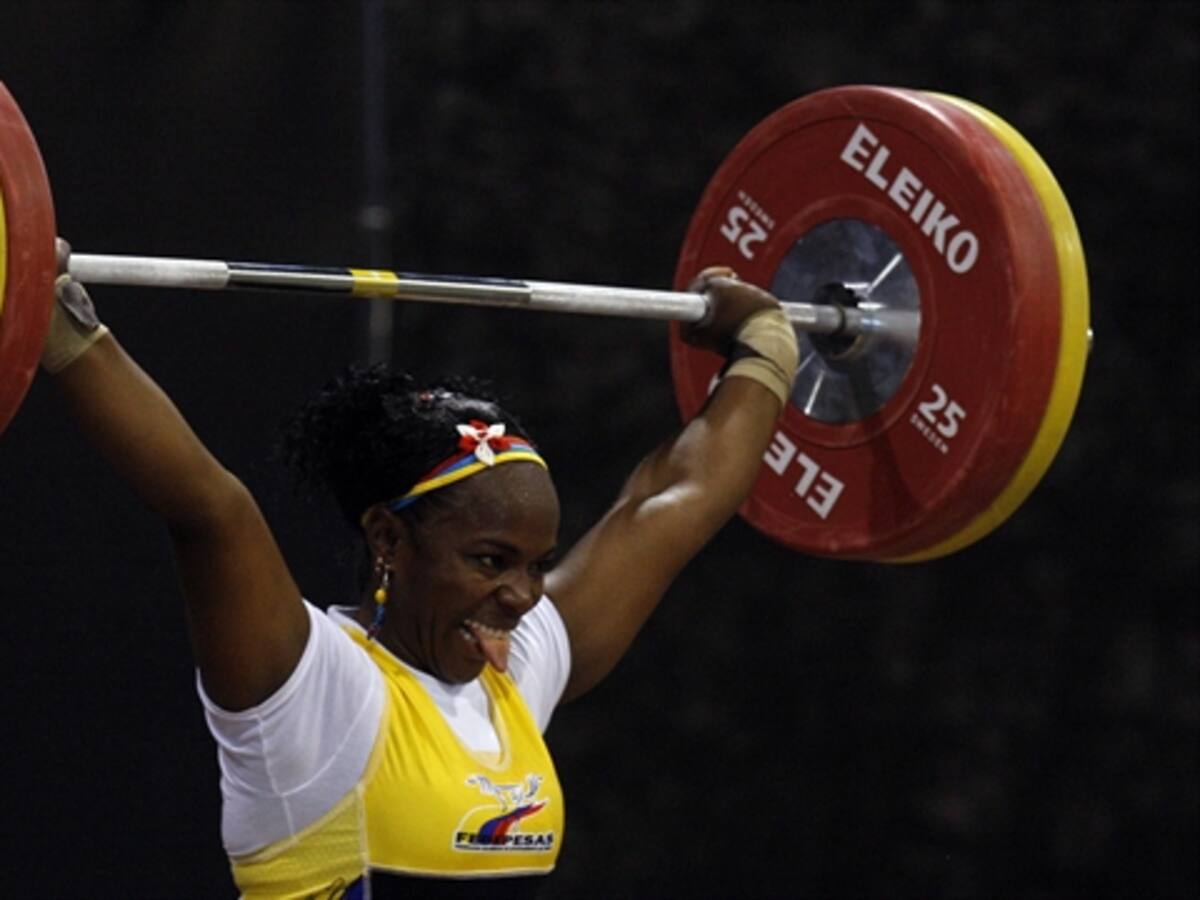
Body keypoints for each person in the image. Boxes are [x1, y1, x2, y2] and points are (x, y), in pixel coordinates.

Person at [44, 238, 798, 898]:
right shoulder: (314, 693)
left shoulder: (517, 674)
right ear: (389, 541)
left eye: (539, 565)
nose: (522, 596)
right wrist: (56, 322)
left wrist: (766, 347)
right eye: (489, 560)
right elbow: (209, 511)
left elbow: (675, 502)